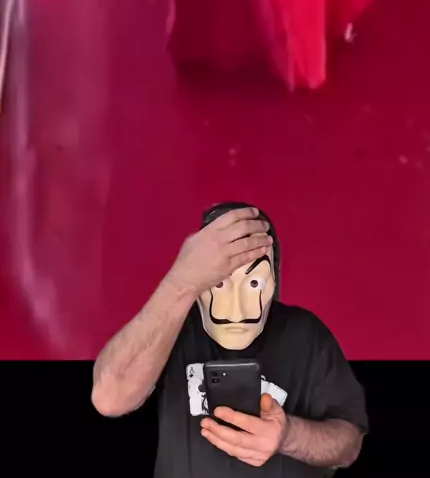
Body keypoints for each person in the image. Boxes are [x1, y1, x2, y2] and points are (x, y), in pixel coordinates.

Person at [92, 203, 368, 476]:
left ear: (274, 281)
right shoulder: (172, 327)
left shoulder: (305, 335)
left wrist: (288, 436)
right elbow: (109, 398)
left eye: (254, 283)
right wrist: (179, 282)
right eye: (219, 283)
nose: (236, 309)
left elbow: (348, 446)